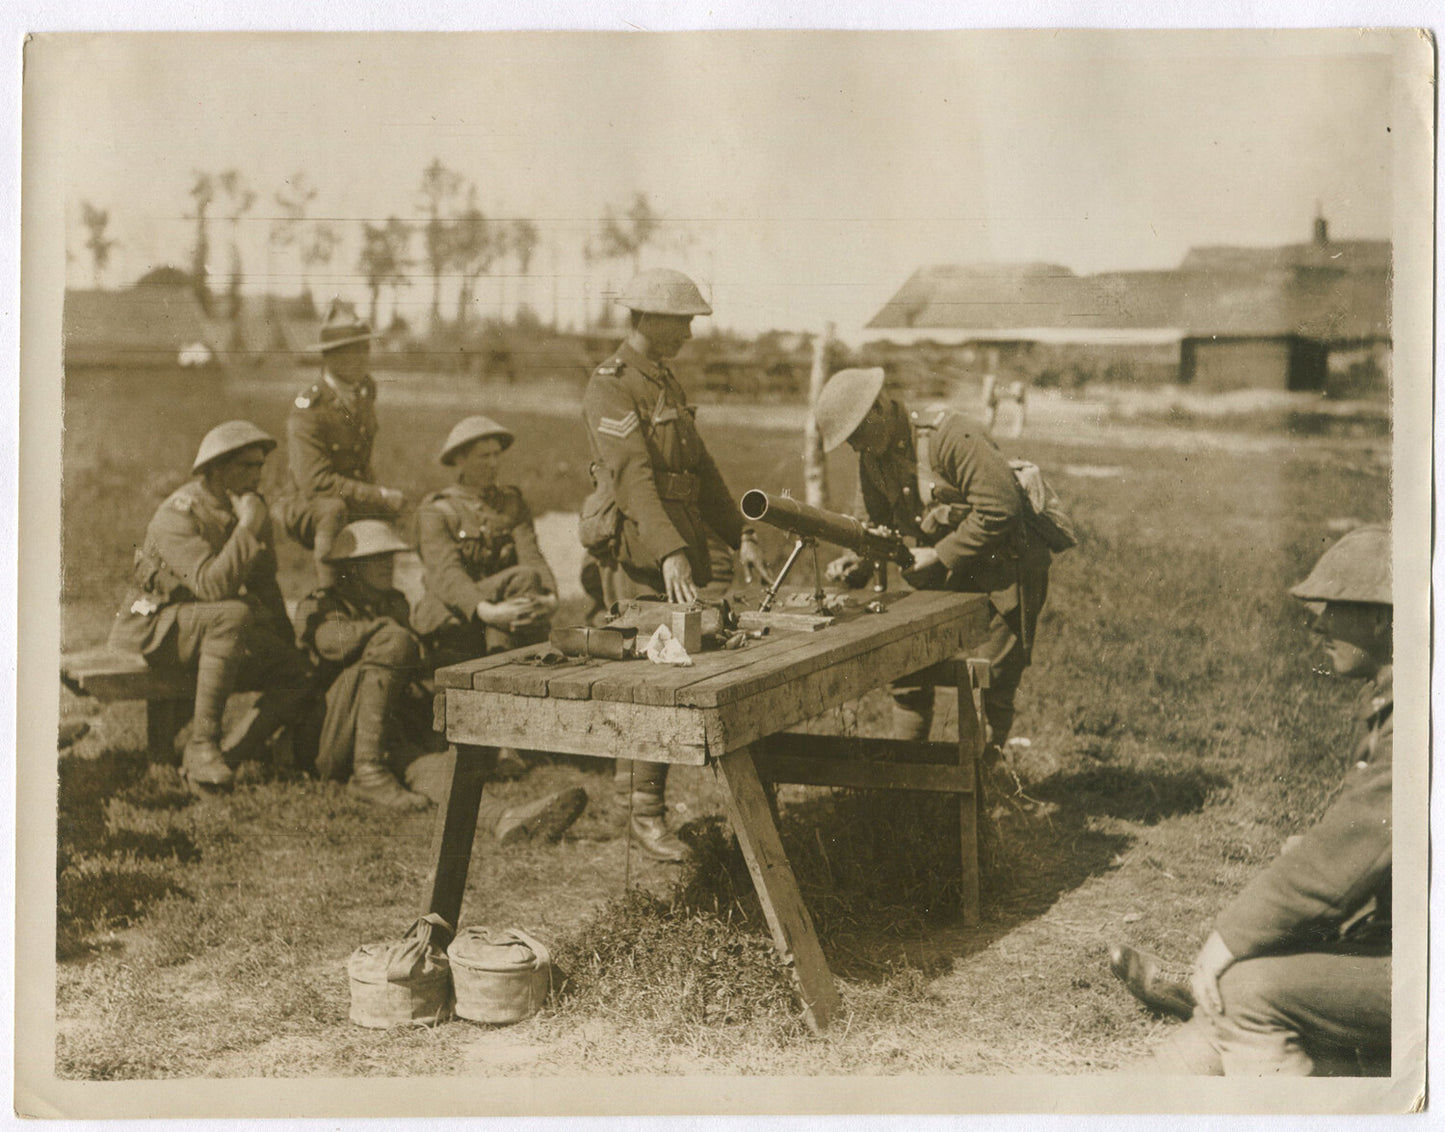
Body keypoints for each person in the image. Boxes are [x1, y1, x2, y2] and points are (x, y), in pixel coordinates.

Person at [1109, 525, 1392, 1076]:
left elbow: (1338, 863)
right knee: (1212, 1018)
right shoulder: (1391, 697)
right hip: (1399, 938)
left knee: (1248, 989)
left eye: (1335, 605)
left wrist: (1227, 939)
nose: (1318, 622)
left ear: (1385, 618)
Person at [580, 267, 767, 861]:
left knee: (673, 664)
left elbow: (702, 472)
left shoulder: (665, 381)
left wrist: (740, 534)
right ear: (647, 320)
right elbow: (634, 477)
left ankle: (634, 796)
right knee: (656, 672)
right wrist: (670, 553)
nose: (689, 330)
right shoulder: (611, 386)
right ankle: (645, 815)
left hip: (673, 543)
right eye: (681, 319)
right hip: (642, 548)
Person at [295, 520, 588, 842]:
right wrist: (388, 631)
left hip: (386, 735)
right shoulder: (323, 603)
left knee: (430, 766)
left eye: (389, 558)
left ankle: (505, 818)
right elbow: (331, 644)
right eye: (376, 559)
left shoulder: (393, 601)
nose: (386, 566)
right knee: (395, 641)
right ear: (351, 566)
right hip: (330, 735)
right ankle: (367, 772)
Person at [816, 367, 1051, 758]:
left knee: (990, 681)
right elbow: (871, 525)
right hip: (941, 573)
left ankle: (979, 789)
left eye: (856, 435)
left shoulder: (952, 436)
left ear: (878, 409)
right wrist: (855, 562)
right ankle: (909, 780)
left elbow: (1001, 510)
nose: (855, 448)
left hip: (1004, 570)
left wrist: (940, 554)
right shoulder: (873, 456)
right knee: (909, 668)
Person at [109, 420, 314, 792]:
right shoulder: (180, 512)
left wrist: (286, 643)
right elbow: (212, 585)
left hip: (208, 627)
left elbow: (265, 583)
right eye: (244, 466)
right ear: (215, 470)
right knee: (232, 614)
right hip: (152, 624)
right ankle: (203, 744)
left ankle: (231, 752)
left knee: (296, 672)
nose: (256, 475)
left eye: (259, 466)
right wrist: (248, 527)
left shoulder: (249, 508)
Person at [276, 299, 406, 587]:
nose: (362, 358)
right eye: (351, 351)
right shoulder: (309, 408)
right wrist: (378, 495)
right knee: (333, 510)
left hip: (346, 494)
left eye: (365, 348)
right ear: (329, 357)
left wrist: (382, 501)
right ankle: (329, 601)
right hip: (305, 503)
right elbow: (315, 482)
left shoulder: (364, 390)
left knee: (393, 511)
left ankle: (381, 598)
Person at [412, 415, 558, 664]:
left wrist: (551, 598)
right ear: (460, 459)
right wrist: (488, 611)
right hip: (454, 611)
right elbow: (447, 574)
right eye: (484, 456)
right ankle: (505, 668)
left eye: (497, 455)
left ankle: (506, 667)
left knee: (527, 579)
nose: (494, 463)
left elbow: (531, 554)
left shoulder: (511, 503)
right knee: (522, 583)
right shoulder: (438, 510)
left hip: (505, 607)